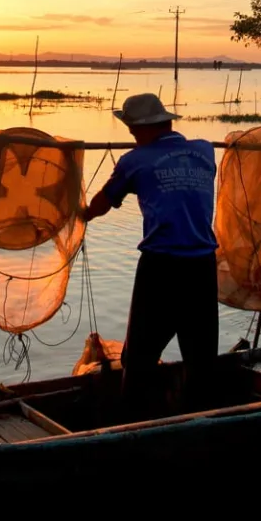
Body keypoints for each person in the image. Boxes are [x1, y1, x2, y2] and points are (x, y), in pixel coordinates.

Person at [83, 92, 219, 415]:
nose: (131, 136)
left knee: (139, 358)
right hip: (203, 266)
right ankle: (202, 420)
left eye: (132, 130)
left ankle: (132, 425)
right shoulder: (205, 151)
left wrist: (82, 215)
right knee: (201, 358)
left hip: (161, 268)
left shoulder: (133, 161)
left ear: (142, 130)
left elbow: (102, 203)